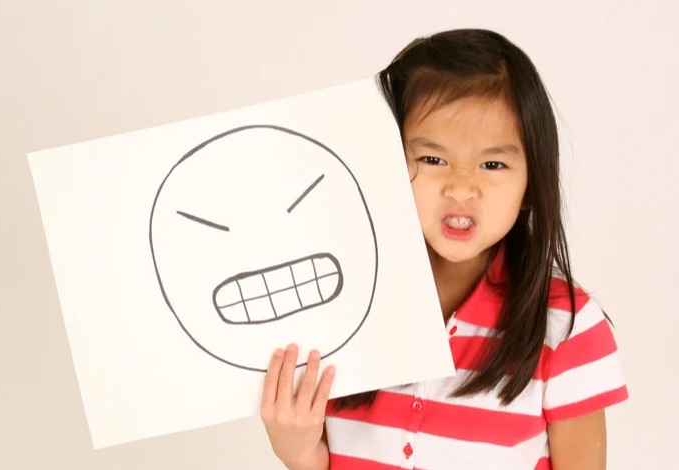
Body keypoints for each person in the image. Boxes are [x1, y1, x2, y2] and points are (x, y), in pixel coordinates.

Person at [259, 28, 628, 470]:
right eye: (433, 159)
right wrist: (298, 451)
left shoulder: (566, 328)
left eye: (493, 164)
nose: (461, 188)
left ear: (532, 182)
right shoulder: (341, 304)